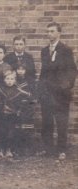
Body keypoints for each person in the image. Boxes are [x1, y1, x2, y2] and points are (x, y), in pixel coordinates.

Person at [39, 22, 77, 160]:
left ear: (59, 33)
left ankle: (62, 150)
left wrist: (66, 85)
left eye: (52, 31)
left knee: (61, 121)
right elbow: (43, 72)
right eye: (48, 31)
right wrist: (41, 89)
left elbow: (72, 70)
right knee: (47, 121)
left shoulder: (66, 50)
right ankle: (48, 149)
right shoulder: (44, 51)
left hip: (61, 94)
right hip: (47, 93)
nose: (49, 34)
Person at [0, 70, 28, 158]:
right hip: (2, 114)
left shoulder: (18, 91)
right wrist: (2, 107)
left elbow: (25, 100)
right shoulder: (0, 90)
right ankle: (0, 149)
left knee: (10, 131)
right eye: (7, 79)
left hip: (13, 115)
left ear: (15, 80)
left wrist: (17, 110)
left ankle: (8, 149)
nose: (9, 81)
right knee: (1, 131)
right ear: (4, 80)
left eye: (12, 79)